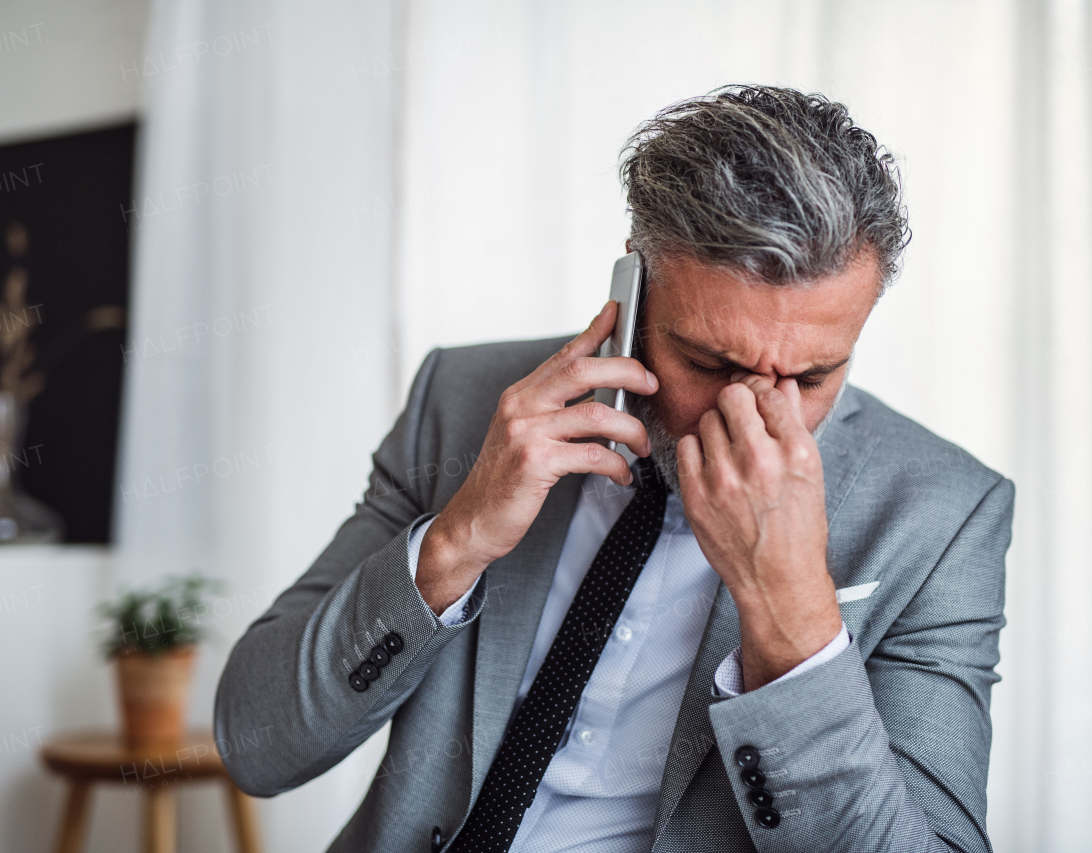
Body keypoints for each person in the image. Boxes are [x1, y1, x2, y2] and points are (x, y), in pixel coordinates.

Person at [215, 85, 1013, 853]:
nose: (755, 417)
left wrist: (793, 620)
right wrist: (455, 541)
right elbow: (256, 743)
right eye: (709, 360)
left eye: (810, 378)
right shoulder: (463, 401)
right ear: (631, 285)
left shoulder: (941, 514)